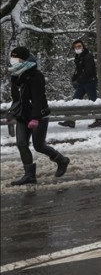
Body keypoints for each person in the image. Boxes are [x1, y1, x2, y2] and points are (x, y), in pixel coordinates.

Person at [7, 46, 71, 185]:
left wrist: (35, 118)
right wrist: (13, 111)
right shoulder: (15, 75)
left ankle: (62, 160)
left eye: (15, 57)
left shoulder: (36, 75)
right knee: (21, 143)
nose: (13, 60)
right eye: (12, 57)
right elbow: (17, 98)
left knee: (39, 146)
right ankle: (29, 175)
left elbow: (38, 98)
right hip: (23, 115)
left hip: (38, 115)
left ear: (23, 59)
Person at [58, 39, 101, 128]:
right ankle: (71, 120)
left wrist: (78, 80)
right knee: (75, 100)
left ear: (83, 47)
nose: (77, 48)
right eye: (76, 47)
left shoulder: (87, 56)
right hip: (82, 82)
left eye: (79, 46)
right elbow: (79, 70)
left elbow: (88, 71)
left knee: (93, 101)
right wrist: (74, 78)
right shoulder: (79, 57)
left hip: (90, 82)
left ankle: (99, 120)